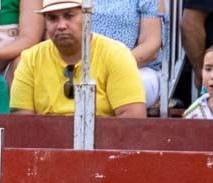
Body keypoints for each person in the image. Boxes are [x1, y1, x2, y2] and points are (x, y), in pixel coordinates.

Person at [9, 0, 146, 117]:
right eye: (52, 18)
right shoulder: (30, 59)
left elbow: (132, 119)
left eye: (69, 16)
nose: (61, 26)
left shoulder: (116, 54)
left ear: (87, 17)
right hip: (46, 145)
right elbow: (24, 124)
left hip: (104, 144)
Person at [90, 0, 163, 109]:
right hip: (80, 67)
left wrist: (110, 67)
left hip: (136, 69)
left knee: (123, 87)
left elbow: (150, 47)